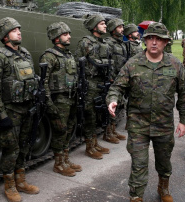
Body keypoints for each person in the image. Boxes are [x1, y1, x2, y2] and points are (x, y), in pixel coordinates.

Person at [106, 22, 185, 202]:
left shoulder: (175, 64)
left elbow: (184, 94)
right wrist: (112, 100)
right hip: (138, 124)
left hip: (163, 124)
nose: (154, 42)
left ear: (165, 42)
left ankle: (163, 187)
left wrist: (184, 120)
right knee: (139, 164)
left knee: (164, 161)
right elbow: (117, 87)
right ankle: (136, 200)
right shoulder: (133, 63)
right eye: (150, 38)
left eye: (158, 39)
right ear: (145, 41)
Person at [0, 17, 40, 202]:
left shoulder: (25, 54)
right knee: (11, 149)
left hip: (27, 109)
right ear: (4, 36)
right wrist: (1, 115)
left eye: (19, 29)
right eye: (14, 30)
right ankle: (9, 186)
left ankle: (21, 181)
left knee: (24, 145)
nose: (19, 32)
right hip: (11, 111)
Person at [40, 22, 82, 176]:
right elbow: (43, 82)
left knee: (69, 129)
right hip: (59, 100)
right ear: (56, 37)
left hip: (71, 98)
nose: (69, 36)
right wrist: (49, 103)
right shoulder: (49, 56)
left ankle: (65, 159)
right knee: (60, 131)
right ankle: (58, 163)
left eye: (68, 34)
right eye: (65, 34)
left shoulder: (69, 54)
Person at [75, 14, 112, 160]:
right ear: (94, 26)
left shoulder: (103, 43)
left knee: (98, 114)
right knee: (89, 115)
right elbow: (78, 63)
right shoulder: (85, 43)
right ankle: (89, 146)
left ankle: (95, 143)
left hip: (101, 83)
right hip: (89, 83)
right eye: (102, 23)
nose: (105, 26)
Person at [104, 18, 127, 144]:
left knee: (118, 105)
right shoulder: (109, 43)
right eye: (119, 27)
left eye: (122, 27)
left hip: (120, 78)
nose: (122, 29)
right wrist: (110, 77)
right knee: (111, 106)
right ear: (113, 29)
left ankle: (112, 130)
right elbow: (108, 62)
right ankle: (108, 133)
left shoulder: (120, 43)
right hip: (112, 79)